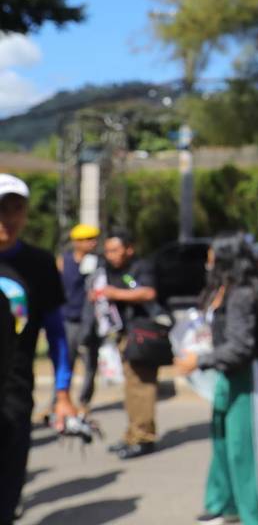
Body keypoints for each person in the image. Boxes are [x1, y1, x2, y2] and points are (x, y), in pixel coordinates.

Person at [176, 235, 258, 525]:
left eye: (211, 256)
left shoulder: (243, 293)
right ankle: (225, 505)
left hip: (248, 375)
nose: (207, 262)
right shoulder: (224, 289)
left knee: (246, 449)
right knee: (223, 441)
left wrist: (199, 361)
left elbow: (241, 347)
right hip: (227, 374)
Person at [0, 174, 78, 525]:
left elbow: (57, 334)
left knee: (8, 490)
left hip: (16, 392)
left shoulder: (40, 264)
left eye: (16, 209)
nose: (8, 218)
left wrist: (62, 392)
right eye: (1, 209)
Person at [94, 230, 161, 459]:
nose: (111, 255)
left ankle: (143, 437)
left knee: (141, 386)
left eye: (116, 250)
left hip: (143, 335)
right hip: (124, 335)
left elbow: (148, 292)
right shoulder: (108, 269)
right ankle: (132, 433)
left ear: (129, 249)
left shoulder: (141, 267)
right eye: (108, 250)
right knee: (130, 387)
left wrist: (115, 293)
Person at [59, 223, 101, 412]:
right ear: (77, 242)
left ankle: (84, 401)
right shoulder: (63, 261)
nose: (92, 243)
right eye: (88, 239)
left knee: (90, 365)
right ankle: (60, 400)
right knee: (64, 362)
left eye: (94, 239)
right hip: (67, 320)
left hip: (90, 322)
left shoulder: (98, 263)